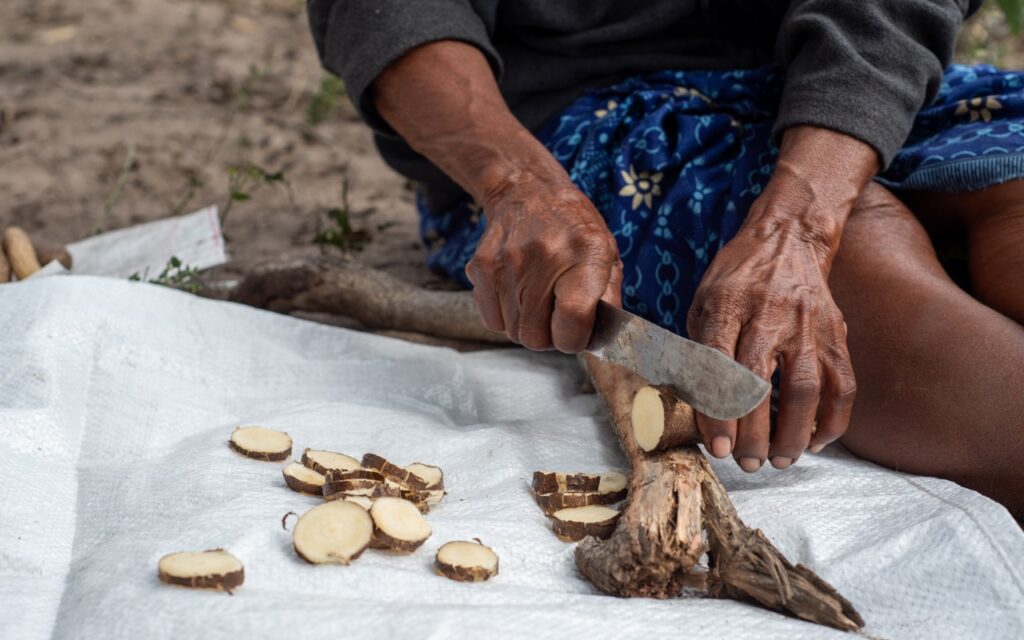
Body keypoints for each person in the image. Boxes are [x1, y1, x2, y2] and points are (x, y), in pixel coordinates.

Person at [308, 1, 1024, 514]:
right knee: (883, 279)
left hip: (843, 72)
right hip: (565, 119)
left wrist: (798, 224)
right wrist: (519, 186)